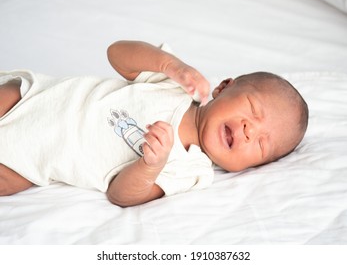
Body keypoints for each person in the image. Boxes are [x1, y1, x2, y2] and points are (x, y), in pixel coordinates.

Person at [0, 40, 308, 207]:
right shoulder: (177, 84)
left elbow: (121, 195)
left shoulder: (193, 172)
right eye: (253, 110)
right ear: (224, 87)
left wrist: (150, 166)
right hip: (35, 99)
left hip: (31, 164)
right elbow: (116, 53)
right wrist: (170, 64)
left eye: (260, 143)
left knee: (8, 186)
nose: (248, 130)